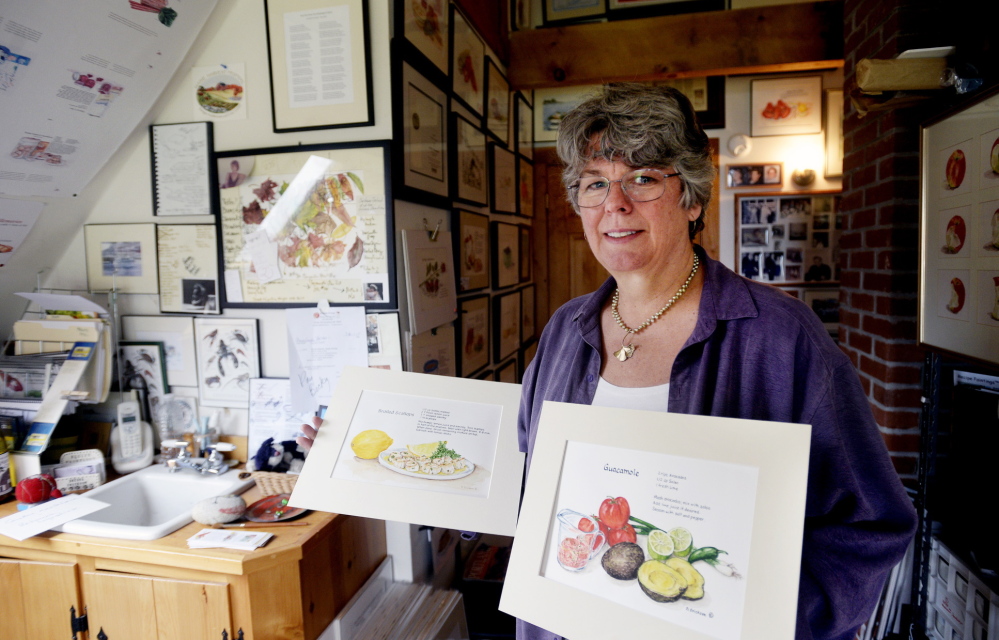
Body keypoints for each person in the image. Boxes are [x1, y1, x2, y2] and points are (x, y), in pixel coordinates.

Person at [299, 84, 916, 640]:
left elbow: (871, 527)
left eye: (643, 177)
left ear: (692, 198)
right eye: (595, 182)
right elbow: (522, 482)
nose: (615, 203)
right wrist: (351, 450)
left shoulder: (782, 340)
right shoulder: (567, 331)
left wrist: (772, 620)